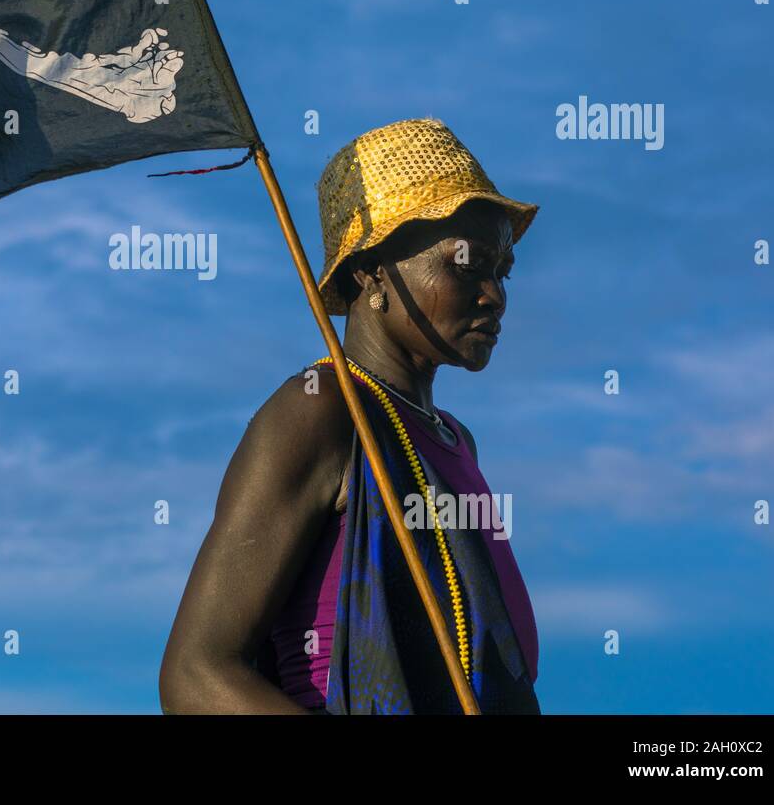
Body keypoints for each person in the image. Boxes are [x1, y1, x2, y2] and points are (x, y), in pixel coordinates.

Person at [158, 118, 542, 714]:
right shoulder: (321, 408)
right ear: (370, 271)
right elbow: (196, 676)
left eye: (502, 271)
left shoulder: (455, 441)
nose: (494, 295)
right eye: (466, 266)